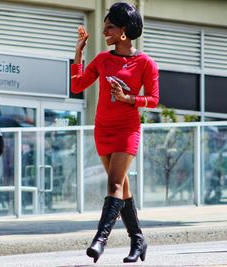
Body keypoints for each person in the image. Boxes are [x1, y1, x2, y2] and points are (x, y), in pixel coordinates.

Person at [71, 2, 159, 263]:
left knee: (114, 184)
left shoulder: (145, 63)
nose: (104, 32)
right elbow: (77, 86)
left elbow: (153, 99)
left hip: (126, 129)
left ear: (124, 32)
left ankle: (100, 239)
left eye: (109, 27)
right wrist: (78, 53)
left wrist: (128, 98)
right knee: (123, 189)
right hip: (103, 129)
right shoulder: (102, 59)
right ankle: (138, 240)